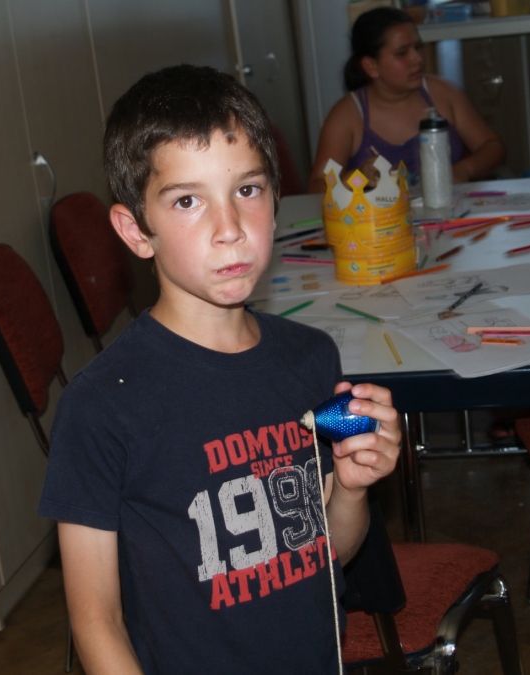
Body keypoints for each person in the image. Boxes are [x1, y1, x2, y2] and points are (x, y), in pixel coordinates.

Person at [38, 64, 402, 674]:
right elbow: (96, 622)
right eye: (188, 201)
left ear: (277, 199)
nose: (229, 230)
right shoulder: (101, 406)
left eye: (247, 190)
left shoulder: (312, 359)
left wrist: (353, 486)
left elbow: (326, 556)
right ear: (136, 230)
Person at [308, 7, 505, 193]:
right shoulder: (346, 116)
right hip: (380, 218)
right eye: (402, 53)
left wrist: (465, 170)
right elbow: (316, 186)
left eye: (418, 48)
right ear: (371, 66)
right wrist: (357, 177)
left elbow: (493, 147)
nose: (417, 59)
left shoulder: (443, 93)